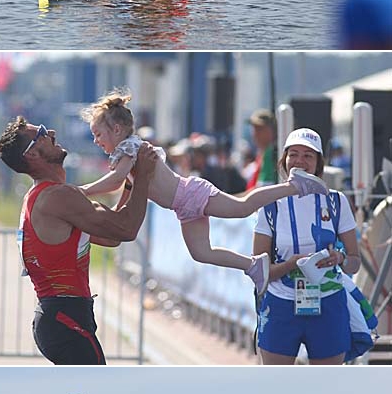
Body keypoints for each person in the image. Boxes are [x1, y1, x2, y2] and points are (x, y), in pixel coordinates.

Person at [79, 88, 332, 292]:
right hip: (183, 207)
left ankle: (294, 185)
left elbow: (116, 180)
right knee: (201, 253)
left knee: (242, 208)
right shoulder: (130, 150)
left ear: (116, 130)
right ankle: (254, 266)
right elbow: (123, 189)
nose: (96, 141)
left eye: (97, 134)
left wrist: (84, 191)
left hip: (190, 194)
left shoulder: (129, 149)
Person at [0, 116, 156, 366]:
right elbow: (126, 229)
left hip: (61, 319)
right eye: (40, 133)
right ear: (33, 155)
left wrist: (129, 185)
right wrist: (144, 176)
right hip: (65, 320)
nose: (50, 130)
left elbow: (112, 237)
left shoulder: (44, 196)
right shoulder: (56, 197)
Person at [253, 127, 361, 366]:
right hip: (281, 303)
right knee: (275, 388)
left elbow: (355, 261)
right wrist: (290, 265)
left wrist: (339, 259)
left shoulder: (336, 201)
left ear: (318, 162)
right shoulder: (269, 201)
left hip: (328, 302)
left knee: (326, 389)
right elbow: (258, 271)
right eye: (294, 154)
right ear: (284, 159)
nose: (300, 160)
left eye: (308, 155)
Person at [246, 111, 278, 189]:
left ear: (272, 131)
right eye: (254, 128)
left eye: (260, 129)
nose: (255, 134)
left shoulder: (271, 153)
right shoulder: (262, 154)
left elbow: (263, 190)